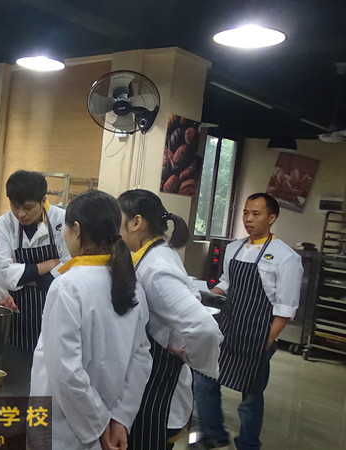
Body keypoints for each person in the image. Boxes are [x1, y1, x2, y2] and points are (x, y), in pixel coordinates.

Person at [30, 190, 152, 450]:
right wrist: (119, 419)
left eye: (65, 228)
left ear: (76, 230)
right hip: (108, 418)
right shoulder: (132, 285)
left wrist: (99, 424)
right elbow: (141, 358)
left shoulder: (68, 286)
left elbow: (66, 371)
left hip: (64, 427)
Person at [192, 193, 303, 450]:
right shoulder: (234, 248)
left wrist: (266, 342)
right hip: (228, 327)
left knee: (251, 396)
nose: (248, 219)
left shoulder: (286, 257)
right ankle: (214, 434)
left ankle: (248, 444)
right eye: (245, 213)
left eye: (256, 214)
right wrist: (202, 295)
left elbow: (285, 309)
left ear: (271, 218)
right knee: (204, 378)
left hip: (259, 333)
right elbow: (226, 283)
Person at [117, 189, 223, 450]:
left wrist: (191, 359)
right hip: (147, 383)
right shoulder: (152, 254)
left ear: (136, 222)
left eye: (118, 218)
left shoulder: (157, 268)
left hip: (160, 393)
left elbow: (204, 328)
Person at [0, 170, 70, 352]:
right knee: (17, 358)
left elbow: (69, 265)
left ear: (43, 201)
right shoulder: (3, 225)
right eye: (15, 207)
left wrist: (26, 275)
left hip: (54, 304)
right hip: (19, 309)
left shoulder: (63, 220)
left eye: (27, 207)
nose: (21, 214)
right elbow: (5, 274)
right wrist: (48, 265)